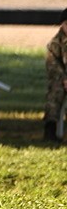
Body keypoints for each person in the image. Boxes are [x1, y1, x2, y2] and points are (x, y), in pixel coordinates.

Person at [43, 7, 67, 141]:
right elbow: (52, 64)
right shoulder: (55, 44)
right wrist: (64, 79)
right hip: (62, 79)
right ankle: (50, 130)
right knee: (55, 90)